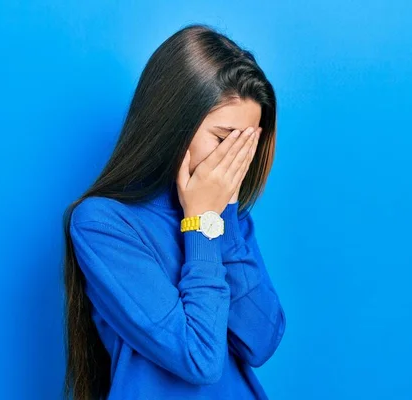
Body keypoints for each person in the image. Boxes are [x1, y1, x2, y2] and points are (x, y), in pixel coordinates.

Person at [62, 23, 286, 400]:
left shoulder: (232, 219)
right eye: (222, 139)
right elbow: (199, 359)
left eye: (246, 144)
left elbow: (261, 342)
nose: (235, 160)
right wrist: (201, 225)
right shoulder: (103, 225)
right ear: (174, 125)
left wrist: (222, 219)